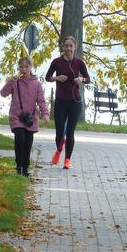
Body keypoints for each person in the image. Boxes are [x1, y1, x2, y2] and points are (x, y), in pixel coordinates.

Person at [45, 36, 91, 169]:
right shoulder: (56, 62)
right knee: (59, 132)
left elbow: (88, 79)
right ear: (63, 47)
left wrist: (81, 79)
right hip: (60, 101)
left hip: (75, 101)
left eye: (71, 46)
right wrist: (57, 78)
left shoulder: (79, 63)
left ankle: (67, 159)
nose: (68, 48)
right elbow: (47, 77)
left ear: (75, 48)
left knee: (70, 132)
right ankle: (59, 150)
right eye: (66, 46)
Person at [0, 57, 50, 177]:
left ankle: (25, 168)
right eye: (21, 67)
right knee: (20, 139)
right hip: (17, 117)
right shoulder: (14, 82)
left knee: (28, 143)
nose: (23, 69)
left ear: (31, 67)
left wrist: (45, 114)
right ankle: (19, 166)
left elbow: (41, 101)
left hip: (30, 119)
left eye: (26, 67)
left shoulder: (36, 84)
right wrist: (10, 82)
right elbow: (3, 93)